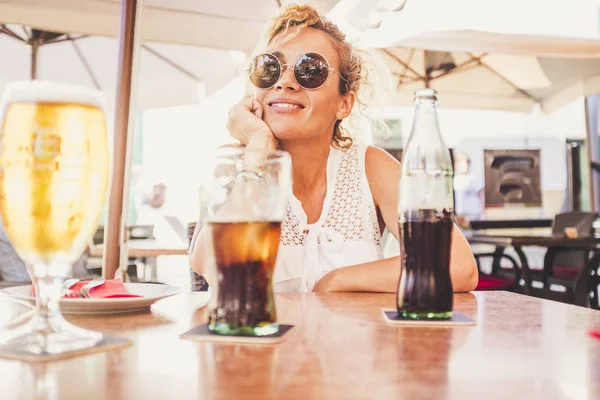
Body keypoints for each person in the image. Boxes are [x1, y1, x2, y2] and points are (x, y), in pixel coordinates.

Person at [189, 4, 478, 293]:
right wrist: (258, 152)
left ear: (344, 104)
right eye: (270, 68)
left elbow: (457, 265)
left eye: (310, 70)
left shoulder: (369, 166)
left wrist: (337, 281)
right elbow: (213, 267)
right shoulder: (237, 164)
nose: (285, 82)